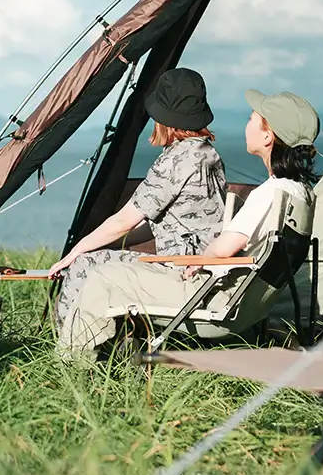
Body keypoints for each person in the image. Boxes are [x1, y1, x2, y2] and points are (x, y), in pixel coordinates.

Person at [55, 88, 319, 360]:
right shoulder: (301, 193)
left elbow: (223, 248)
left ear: (267, 136)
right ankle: (111, 350)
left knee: (102, 277)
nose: (247, 125)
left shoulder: (270, 193)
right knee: (115, 271)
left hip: (209, 296)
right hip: (245, 304)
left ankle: (72, 363)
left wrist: (202, 259)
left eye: (252, 119)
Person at [49, 67, 227, 343]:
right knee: (99, 256)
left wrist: (75, 250)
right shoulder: (208, 154)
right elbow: (163, 223)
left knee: (84, 264)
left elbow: (124, 220)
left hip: (181, 270)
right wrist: (114, 244)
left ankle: (68, 352)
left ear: (163, 118)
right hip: (205, 266)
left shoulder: (175, 161)